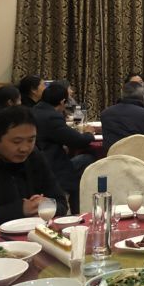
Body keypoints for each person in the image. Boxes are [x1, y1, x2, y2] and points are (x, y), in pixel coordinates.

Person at [0, 106, 67, 224]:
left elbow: (61, 203)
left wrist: (45, 205)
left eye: (31, 140)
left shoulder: (34, 157)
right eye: (16, 142)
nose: (24, 148)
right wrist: (20, 210)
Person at [31, 83, 95, 213]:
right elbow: (78, 141)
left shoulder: (34, 110)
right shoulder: (52, 116)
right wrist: (89, 133)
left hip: (37, 160)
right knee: (89, 159)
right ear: (62, 102)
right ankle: (77, 211)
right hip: (51, 164)